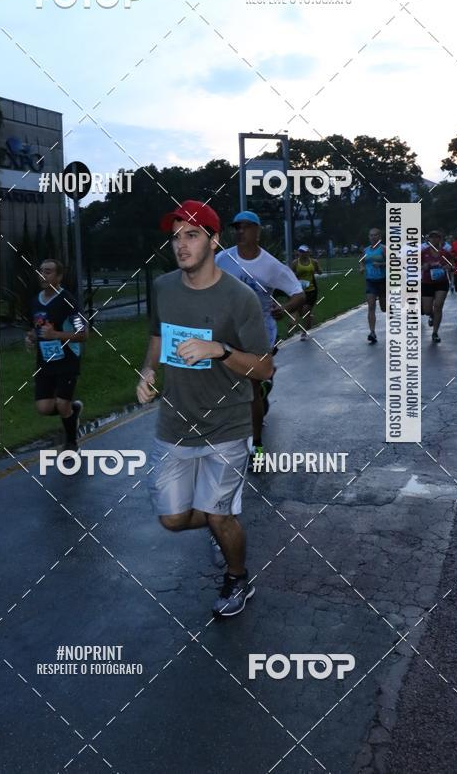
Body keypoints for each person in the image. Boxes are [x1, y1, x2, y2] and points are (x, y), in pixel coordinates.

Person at [137, 200, 273, 618]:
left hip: (227, 425)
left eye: (191, 234)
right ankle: (221, 520)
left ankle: (237, 578)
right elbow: (159, 336)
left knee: (219, 516)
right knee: (173, 520)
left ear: (214, 241)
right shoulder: (163, 287)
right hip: (175, 422)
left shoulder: (240, 298)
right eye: (176, 236)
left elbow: (265, 367)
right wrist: (146, 370)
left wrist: (220, 349)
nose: (181, 244)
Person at [214, 210, 305, 467]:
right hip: (229, 331)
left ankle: (257, 446)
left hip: (260, 332)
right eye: (236, 227)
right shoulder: (223, 259)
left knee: (251, 388)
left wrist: (284, 309)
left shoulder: (272, 265)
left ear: (257, 231)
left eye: (245, 227)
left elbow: (298, 293)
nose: (240, 231)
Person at [25, 259, 87, 451]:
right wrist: (31, 337)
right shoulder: (36, 301)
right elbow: (37, 328)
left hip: (67, 359)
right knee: (43, 408)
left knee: (61, 404)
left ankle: (71, 443)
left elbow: (83, 334)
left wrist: (56, 335)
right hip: (45, 361)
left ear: (59, 277)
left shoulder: (68, 300)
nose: (44, 275)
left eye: (49, 272)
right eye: (42, 271)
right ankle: (73, 411)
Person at [421, 231, 453, 342]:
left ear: (440, 239)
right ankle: (431, 315)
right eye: (432, 238)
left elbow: (453, 264)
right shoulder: (423, 252)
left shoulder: (445, 253)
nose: (434, 240)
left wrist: (449, 267)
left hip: (441, 282)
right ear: (428, 240)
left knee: (438, 306)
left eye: (436, 237)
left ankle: (435, 333)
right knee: (427, 310)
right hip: (427, 282)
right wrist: (423, 266)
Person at [360, 227, 386, 343]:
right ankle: (372, 332)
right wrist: (361, 267)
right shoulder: (366, 250)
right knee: (371, 307)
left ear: (379, 237)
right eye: (371, 235)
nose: (372, 237)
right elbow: (361, 261)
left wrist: (381, 264)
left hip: (383, 281)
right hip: (370, 281)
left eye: (375, 235)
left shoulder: (384, 249)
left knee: (384, 308)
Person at [291, 244, 323, 340]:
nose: (302, 253)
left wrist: (318, 271)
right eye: (300, 251)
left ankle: (303, 332)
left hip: (311, 290)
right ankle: (309, 318)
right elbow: (290, 275)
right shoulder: (295, 263)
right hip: (300, 291)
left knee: (305, 310)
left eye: (304, 252)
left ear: (308, 252)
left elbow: (319, 271)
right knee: (301, 312)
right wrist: (296, 275)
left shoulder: (313, 262)